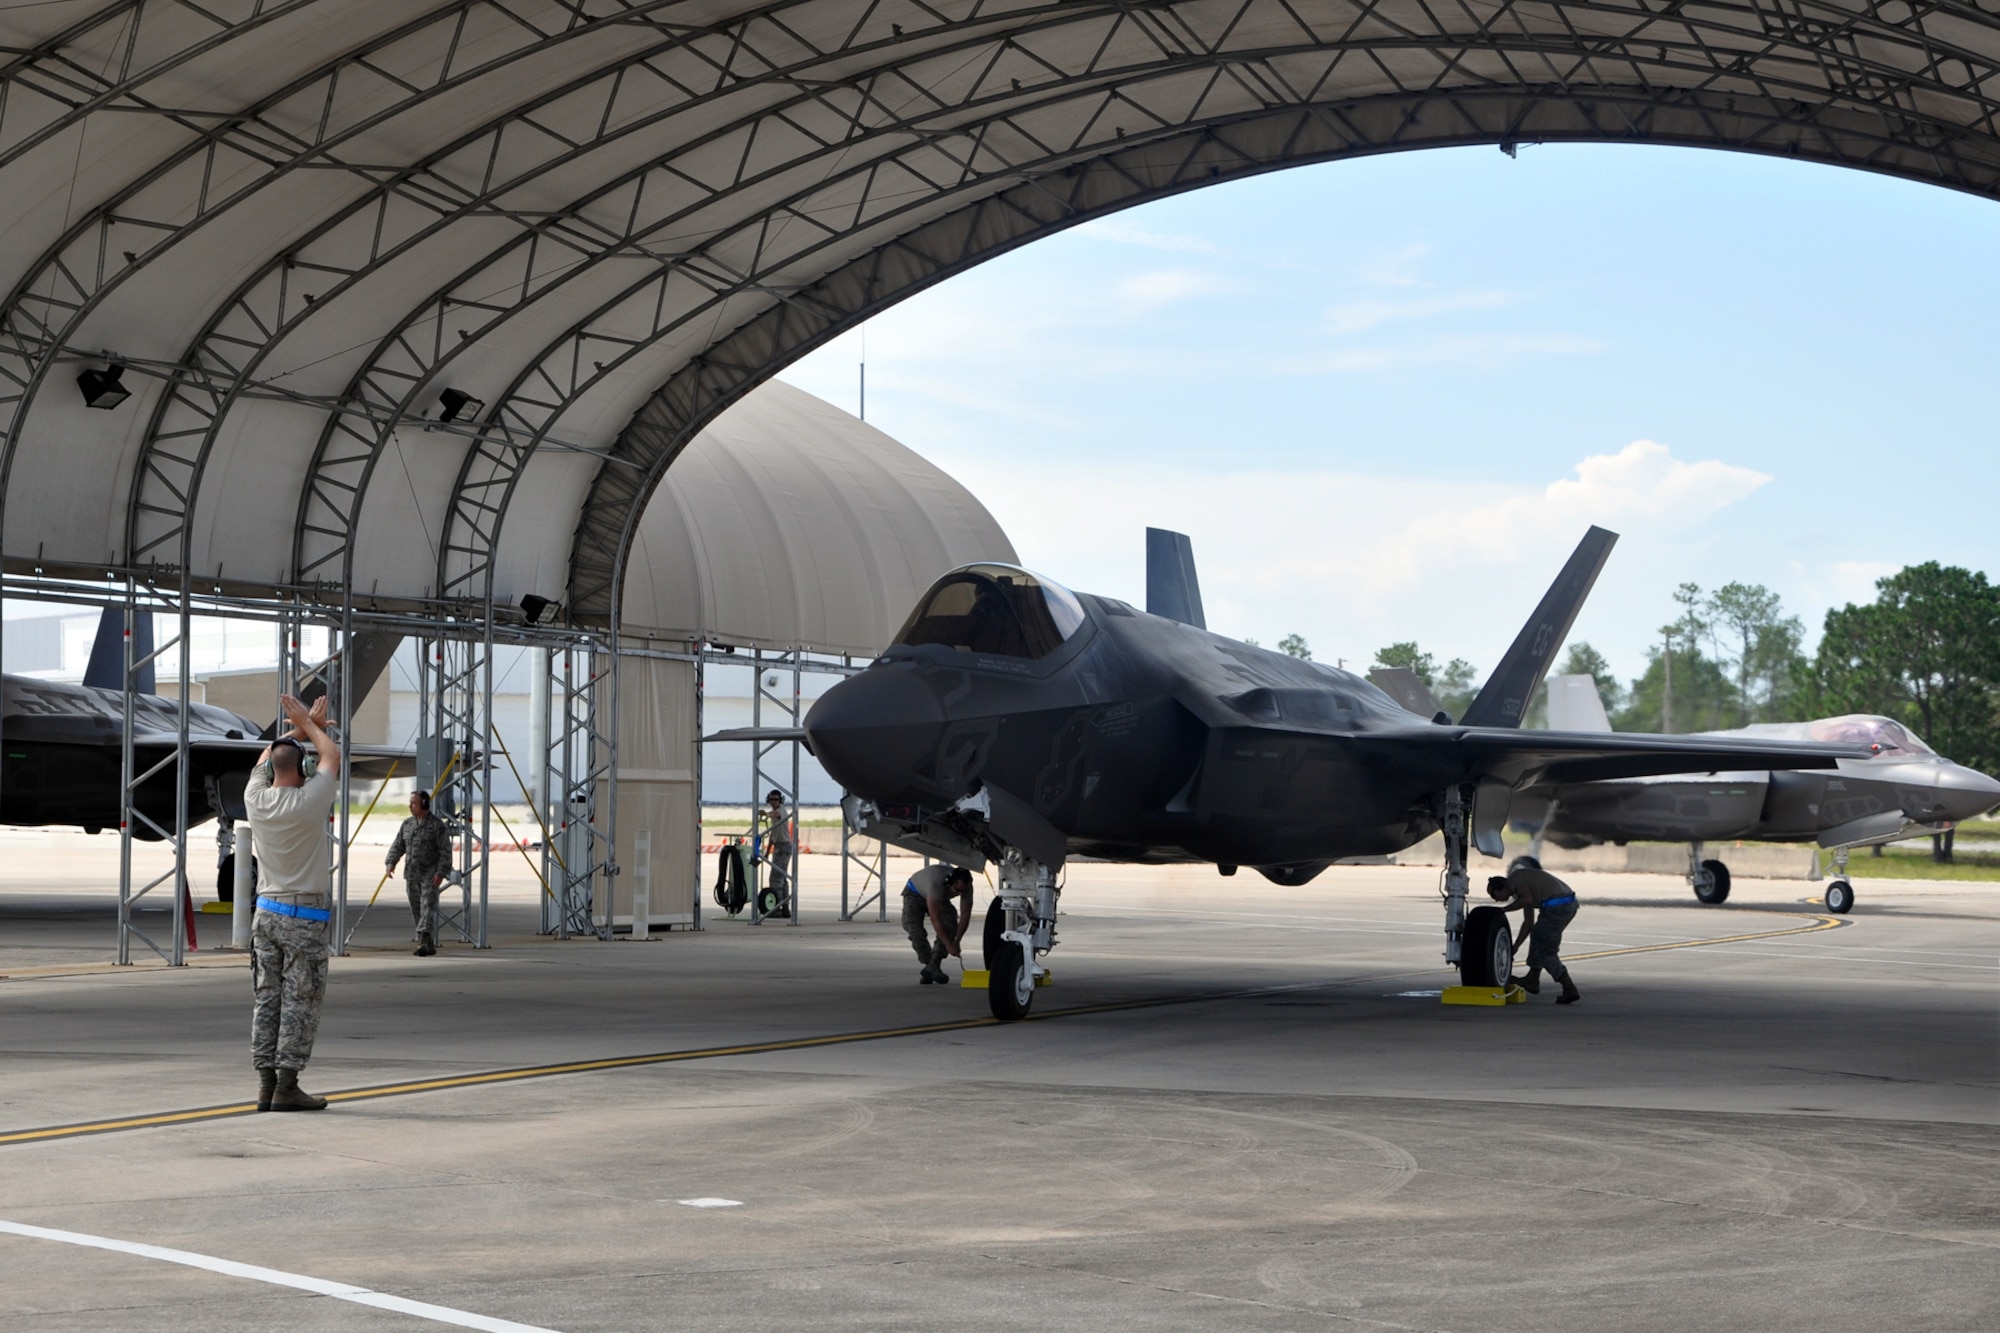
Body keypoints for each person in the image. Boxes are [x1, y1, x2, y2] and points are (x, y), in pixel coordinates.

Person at [245, 693, 341, 1111]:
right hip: (304, 917)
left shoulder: (255, 799)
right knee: (300, 1002)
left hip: (266, 913)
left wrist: (298, 728)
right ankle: (287, 1085)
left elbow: (266, 759)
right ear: (302, 770)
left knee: (268, 997)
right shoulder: (309, 802)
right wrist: (313, 726)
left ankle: (265, 1085)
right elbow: (331, 753)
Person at [1487, 854, 1581, 1004]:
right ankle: (1533, 978)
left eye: (1494, 894)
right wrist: (1515, 947)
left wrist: (1503, 910)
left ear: (1500, 886)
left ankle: (1568, 987)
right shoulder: (1522, 887)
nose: (1496, 899)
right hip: (1563, 905)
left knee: (1546, 950)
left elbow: (1527, 900)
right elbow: (1528, 923)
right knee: (1537, 935)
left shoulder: (1515, 878)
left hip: (1558, 906)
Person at [385, 789, 453, 957]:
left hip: (430, 874)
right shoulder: (407, 825)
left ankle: (423, 939)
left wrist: (441, 872)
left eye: (414, 803)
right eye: (410, 803)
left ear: (423, 804)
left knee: (428, 907)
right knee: (416, 908)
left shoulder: (437, 826)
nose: (410, 806)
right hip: (411, 874)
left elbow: (445, 851)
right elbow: (398, 845)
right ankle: (428, 941)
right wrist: (391, 862)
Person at [902, 863, 973, 985]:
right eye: (957, 890)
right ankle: (929, 964)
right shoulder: (937, 884)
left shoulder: (966, 886)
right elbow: (935, 919)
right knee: (914, 929)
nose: (960, 894)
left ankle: (932, 966)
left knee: (950, 924)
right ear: (949, 883)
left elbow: (965, 914)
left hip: (939, 897)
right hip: (915, 893)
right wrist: (948, 945)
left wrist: (957, 940)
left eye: (963, 891)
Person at [758, 789, 794, 910]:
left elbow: (777, 815)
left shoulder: (781, 811)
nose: (773, 802)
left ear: (780, 800)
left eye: (776, 800)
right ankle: (784, 906)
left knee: (775, 878)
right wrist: (768, 851)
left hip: (784, 846)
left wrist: (766, 814)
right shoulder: (773, 812)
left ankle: (776, 906)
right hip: (778, 846)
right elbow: (773, 834)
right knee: (782, 877)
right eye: (772, 799)